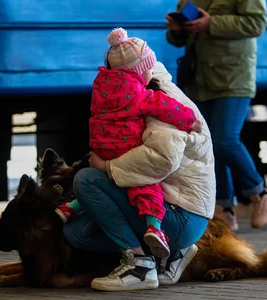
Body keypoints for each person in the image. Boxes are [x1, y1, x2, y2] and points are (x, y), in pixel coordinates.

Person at [62, 60, 216, 291]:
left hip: (182, 214)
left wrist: (105, 165)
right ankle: (172, 253)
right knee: (78, 233)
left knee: (87, 179)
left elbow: (161, 160)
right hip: (177, 209)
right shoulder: (154, 93)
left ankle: (140, 267)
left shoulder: (161, 108)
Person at [56, 27, 202, 259]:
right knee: (145, 185)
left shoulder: (100, 86)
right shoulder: (140, 93)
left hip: (102, 147)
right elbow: (164, 107)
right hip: (127, 148)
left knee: (101, 182)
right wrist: (190, 120)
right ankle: (154, 229)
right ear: (140, 70)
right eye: (147, 67)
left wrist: (105, 164)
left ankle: (71, 208)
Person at [165, 0, 267, 231]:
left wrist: (211, 23)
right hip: (199, 79)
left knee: (224, 140)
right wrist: (177, 31)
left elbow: (256, 22)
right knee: (208, 145)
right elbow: (180, 38)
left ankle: (261, 194)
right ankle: (224, 209)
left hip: (233, 77)